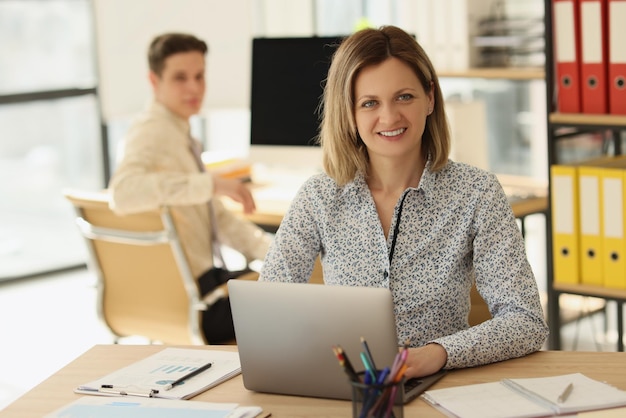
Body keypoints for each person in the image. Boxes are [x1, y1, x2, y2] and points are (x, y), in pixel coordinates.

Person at [259, 26, 549, 377]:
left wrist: (438, 353)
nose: (389, 117)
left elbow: (526, 320)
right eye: (370, 103)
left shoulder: (477, 193)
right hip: (350, 391)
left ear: (430, 98)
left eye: (404, 97)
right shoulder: (319, 197)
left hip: (442, 389)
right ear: (348, 113)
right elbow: (267, 311)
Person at [108, 32, 271, 344]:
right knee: (296, 303)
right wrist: (210, 183)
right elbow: (123, 191)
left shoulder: (179, 134)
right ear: (154, 82)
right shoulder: (152, 132)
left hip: (194, 292)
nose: (194, 88)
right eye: (180, 78)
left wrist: (275, 252)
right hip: (197, 304)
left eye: (199, 76)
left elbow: (217, 220)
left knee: (287, 281)